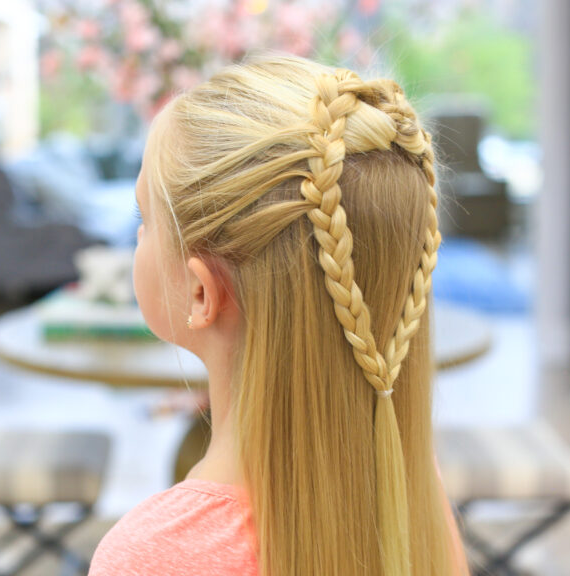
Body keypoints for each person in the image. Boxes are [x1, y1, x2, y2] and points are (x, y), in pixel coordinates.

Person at [90, 54, 467, 576]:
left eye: (145, 218)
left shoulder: (152, 556)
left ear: (201, 293)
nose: (136, 235)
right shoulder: (407, 485)